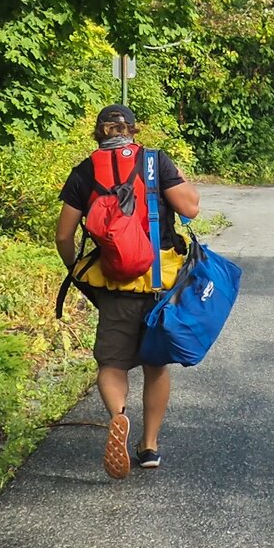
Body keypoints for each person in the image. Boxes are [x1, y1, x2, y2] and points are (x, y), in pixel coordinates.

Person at [54, 104, 201, 480]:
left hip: (114, 282)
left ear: (97, 133)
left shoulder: (85, 171)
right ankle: (149, 445)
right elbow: (191, 208)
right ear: (133, 130)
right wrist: (180, 176)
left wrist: (77, 270)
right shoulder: (156, 161)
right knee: (156, 366)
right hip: (158, 282)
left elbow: (63, 235)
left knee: (111, 363)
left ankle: (119, 416)